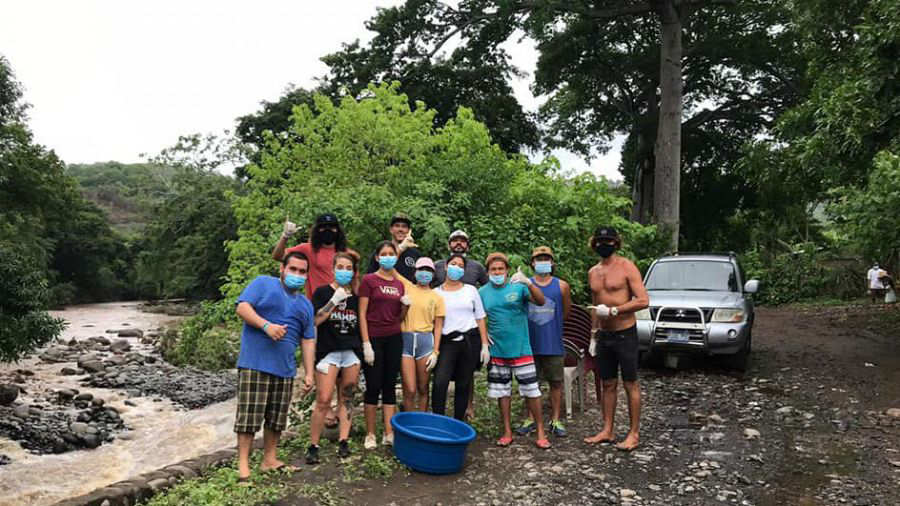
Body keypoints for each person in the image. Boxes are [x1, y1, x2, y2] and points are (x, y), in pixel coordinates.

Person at [233, 252, 315, 483]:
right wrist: (266, 325)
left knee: (276, 418)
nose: (297, 275)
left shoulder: (305, 305)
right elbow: (242, 308)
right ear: (283, 268)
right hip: (255, 363)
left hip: (285, 368)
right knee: (249, 417)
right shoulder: (263, 284)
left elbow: (308, 340)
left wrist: (308, 372)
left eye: (302, 272)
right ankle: (243, 466)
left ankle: (270, 459)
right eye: (293, 269)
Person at [583, 226, 649, 452]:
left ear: (616, 243)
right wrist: (593, 334)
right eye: (600, 240)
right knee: (607, 383)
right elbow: (594, 305)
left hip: (625, 332)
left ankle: (633, 433)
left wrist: (615, 311)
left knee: (630, 383)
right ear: (594, 243)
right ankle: (607, 429)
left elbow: (642, 300)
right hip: (604, 335)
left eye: (609, 241)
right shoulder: (593, 272)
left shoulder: (626, 267)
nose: (604, 244)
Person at [479, 252, 549, 449]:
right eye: (493, 269)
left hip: (521, 348)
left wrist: (529, 283)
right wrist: (482, 337)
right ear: (488, 272)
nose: (497, 272)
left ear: (507, 270)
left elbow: (541, 301)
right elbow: (475, 316)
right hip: (497, 350)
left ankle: (541, 430)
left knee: (531, 391)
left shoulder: (518, 286)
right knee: (503, 392)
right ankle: (507, 431)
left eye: (501, 269)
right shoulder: (482, 292)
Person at [306, 253, 361, 464]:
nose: (344, 271)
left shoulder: (355, 297)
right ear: (333, 268)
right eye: (341, 267)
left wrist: (364, 347)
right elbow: (315, 321)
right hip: (328, 352)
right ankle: (313, 445)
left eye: (349, 268)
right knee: (324, 399)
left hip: (351, 353)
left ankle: (344, 441)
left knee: (347, 397)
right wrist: (333, 302)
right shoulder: (321, 293)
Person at [430, 229, 489, 419]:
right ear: (446, 267)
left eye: (462, 241)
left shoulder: (472, 289)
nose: (456, 267)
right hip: (446, 340)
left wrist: (485, 344)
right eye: (453, 264)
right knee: (440, 381)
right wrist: (435, 349)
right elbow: (436, 320)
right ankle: (438, 419)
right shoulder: (436, 290)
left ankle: (459, 421)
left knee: (464, 382)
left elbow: (480, 317)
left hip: (469, 340)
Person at [516, 246, 572, 438]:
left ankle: (555, 419)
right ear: (532, 263)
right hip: (529, 343)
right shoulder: (524, 284)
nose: (542, 262)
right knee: (530, 383)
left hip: (553, 342)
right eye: (538, 259)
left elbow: (565, 313)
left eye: (546, 258)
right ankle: (530, 417)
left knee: (556, 382)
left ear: (552, 262)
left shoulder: (562, 286)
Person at [359, 240, 410, 449]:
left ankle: (388, 432)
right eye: (384, 254)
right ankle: (370, 433)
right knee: (373, 385)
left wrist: (406, 307)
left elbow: (399, 316)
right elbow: (362, 314)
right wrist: (365, 343)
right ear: (378, 258)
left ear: (396, 257)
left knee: (389, 385)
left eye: (392, 253)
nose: (388, 256)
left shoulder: (399, 284)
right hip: (373, 337)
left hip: (394, 337)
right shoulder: (369, 280)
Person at [271, 213, 360, 297]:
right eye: (323, 227)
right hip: (318, 303)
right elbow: (278, 256)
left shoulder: (347, 254)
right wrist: (285, 236)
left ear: (338, 230)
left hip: (342, 306)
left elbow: (355, 283)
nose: (327, 230)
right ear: (317, 230)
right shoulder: (308, 249)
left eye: (332, 227)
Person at [399, 257, 445, 412]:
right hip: (405, 340)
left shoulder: (437, 297)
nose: (424, 273)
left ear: (433, 274)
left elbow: (438, 326)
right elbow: (389, 267)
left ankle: (422, 419)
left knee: (423, 387)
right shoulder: (407, 287)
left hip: (425, 341)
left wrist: (436, 352)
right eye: (421, 270)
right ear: (415, 272)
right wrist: (401, 246)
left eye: (428, 270)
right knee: (409, 388)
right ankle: (408, 421)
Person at [366, 213, 420, 282]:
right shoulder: (381, 251)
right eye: (397, 226)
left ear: (409, 230)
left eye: (404, 226)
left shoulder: (416, 254)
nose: (400, 229)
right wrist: (401, 248)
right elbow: (370, 277)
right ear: (391, 229)